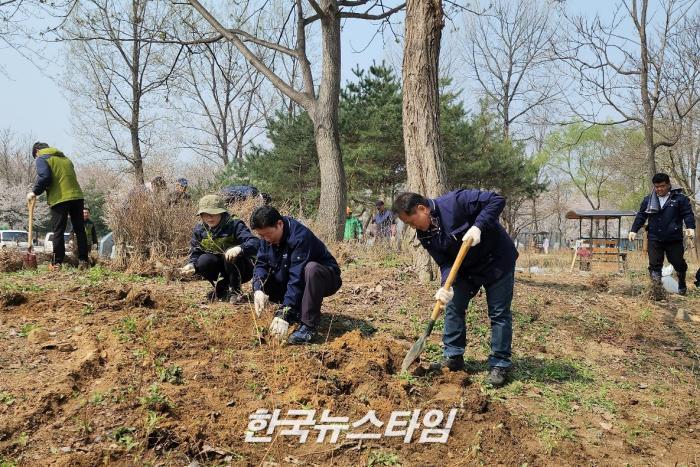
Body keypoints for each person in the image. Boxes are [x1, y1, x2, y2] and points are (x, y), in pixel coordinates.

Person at [393, 189, 518, 388]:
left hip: (496, 261)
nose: (412, 227)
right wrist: (446, 285)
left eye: (411, 222)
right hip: (466, 270)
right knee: (453, 305)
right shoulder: (425, 235)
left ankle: (499, 364)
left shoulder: (456, 202)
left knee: (499, 312)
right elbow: (444, 262)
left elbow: (497, 200)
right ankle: (453, 357)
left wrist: (478, 226)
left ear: (422, 209)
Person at [250, 206, 342, 345]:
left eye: (268, 234)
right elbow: (261, 264)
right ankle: (295, 311)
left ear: (279, 224)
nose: (266, 239)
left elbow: (297, 278)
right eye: (261, 236)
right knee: (267, 277)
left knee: (312, 269)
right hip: (293, 275)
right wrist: (258, 289)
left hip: (324, 277)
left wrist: (284, 314)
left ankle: (308, 326)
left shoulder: (300, 237)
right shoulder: (266, 238)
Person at [180, 195, 259, 303]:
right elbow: (196, 252)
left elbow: (254, 242)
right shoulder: (199, 229)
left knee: (230, 255)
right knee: (203, 261)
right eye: (205, 214)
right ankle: (221, 289)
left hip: (241, 268)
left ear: (221, 212)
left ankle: (235, 291)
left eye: (213, 213)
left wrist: (239, 248)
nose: (209, 217)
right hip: (218, 268)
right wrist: (192, 265)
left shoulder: (235, 224)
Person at [629, 173, 696, 295]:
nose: (659, 189)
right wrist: (633, 230)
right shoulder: (649, 200)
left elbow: (687, 214)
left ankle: (681, 282)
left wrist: (690, 227)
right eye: (657, 186)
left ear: (668, 185)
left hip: (674, 238)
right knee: (654, 265)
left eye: (662, 186)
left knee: (678, 262)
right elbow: (641, 216)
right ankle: (656, 290)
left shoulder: (680, 199)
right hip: (655, 237)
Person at [27, 142, 89, 270]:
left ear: (37, 151)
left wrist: (34, 192)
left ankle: (57, 263)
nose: (36, 158)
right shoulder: (66, 159)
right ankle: (84, 261)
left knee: (58, 230)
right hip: (77, 197)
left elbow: (45, 177)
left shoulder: (42, 158)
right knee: (80, 230)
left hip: (60, 198)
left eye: (35, 156)